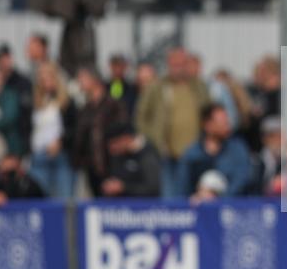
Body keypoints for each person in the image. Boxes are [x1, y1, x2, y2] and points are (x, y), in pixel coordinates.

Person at [136, 48, 210, 197]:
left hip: (195, 152)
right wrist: (153, 138)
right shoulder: (157, 87)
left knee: (194, 196)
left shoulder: (199, 86)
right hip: (167, 154)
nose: (178, 69)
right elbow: (141, 115)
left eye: (182, 64)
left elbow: (209, 112)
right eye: (174, 65)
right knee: (170, 197)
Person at [176, 103, 253, 200]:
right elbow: (183, 189)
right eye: (222, 122)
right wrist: (197, 198)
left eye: (227, 121)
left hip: (232, 209)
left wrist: (216, 199)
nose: (227, 126)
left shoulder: (238, 150)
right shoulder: (192, 154)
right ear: (207, 125)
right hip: (199, 209)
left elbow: (241, 181)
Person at [73, 66, 129, 196]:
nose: (79, 82)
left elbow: (123, 128)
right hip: (91, 167)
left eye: (83, 78)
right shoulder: (85, 108)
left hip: (111, 165)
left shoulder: (114, 105)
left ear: (94, 80)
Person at [29, 62, 77, 199]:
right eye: (42, 79)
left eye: (49, 77)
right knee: (40, 199)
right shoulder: (35, 101)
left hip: (61, 156)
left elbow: (74, 127)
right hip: (39, 156)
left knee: (63, 200)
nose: (45, 82)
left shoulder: (67, 101)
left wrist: (60, 141)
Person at [102, 122, 162, 198]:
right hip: (120, 205)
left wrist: (124, 187)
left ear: (125, 138)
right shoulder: (117, 155)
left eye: (114, 144)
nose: (112, 149)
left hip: (144, 206)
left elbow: (153, 188)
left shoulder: (148, 155)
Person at [0, 43, 33, 155]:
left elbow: (12, 117)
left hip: (18, 139)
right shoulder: (4, 87)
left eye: (6, 57)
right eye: (1, 58)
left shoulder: (22, 82)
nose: (4, 61)